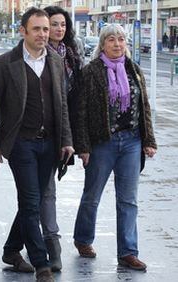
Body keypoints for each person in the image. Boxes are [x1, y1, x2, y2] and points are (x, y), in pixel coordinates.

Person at [0, 7, 74, 282]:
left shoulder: (56, 62)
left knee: (32, 204)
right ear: (23, 31)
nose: (43, 34)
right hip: (21, 144)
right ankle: (41, 264)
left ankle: (11, 250)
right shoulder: (4, 63)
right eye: (36, 29)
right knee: (30, 202)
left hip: (49, 144)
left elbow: (62, 105)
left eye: (46, 29)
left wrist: (67, 141)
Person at [73, 24, 157, 271]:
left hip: (131, 142)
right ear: (103, 44)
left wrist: (149, 140)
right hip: (102, 143)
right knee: (92, 196)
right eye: (111, 39)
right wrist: (83, 146)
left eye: (121, 39)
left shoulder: (134, 69)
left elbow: (145, 107)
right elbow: (81, 112)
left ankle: (128, 252)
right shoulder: (91, 72)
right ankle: (83, 239)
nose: (117, 44)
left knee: (128, 200)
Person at [29, 5, 82, 272]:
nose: (58, 29)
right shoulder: (32, 57)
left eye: (62, 25)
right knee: (41, 192)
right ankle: (50, 242)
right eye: (53, 24)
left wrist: (74, 139)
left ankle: (14, 247)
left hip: (62, 132)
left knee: (39, 192)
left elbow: (74, 102)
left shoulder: (71, 56)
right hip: (36, 136)